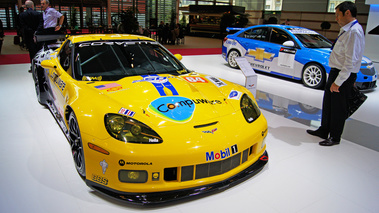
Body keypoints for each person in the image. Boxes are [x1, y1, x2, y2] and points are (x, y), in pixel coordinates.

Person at [306, 1, 365, 146]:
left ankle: (335, 137)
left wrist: (338, 82)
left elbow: (350, 61)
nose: (336, 19)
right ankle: (324, 129)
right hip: (335, 72)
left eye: (338, 15)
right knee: (328, 104)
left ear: (347, 13)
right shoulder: (346, 29)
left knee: (338, 108)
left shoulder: (354, 32)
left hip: (343, 75)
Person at [19, 0, 43, 71]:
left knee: (31, 52)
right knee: (39, 51)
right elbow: (41, 24)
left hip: (28, 36)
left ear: (25, 6)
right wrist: (36, 31)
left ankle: (33, 67)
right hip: (38, 36)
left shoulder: (22, 15)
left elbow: (23, 26)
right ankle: (40, 66)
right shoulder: (39, 14)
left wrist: (31, 32)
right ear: (32, 6)